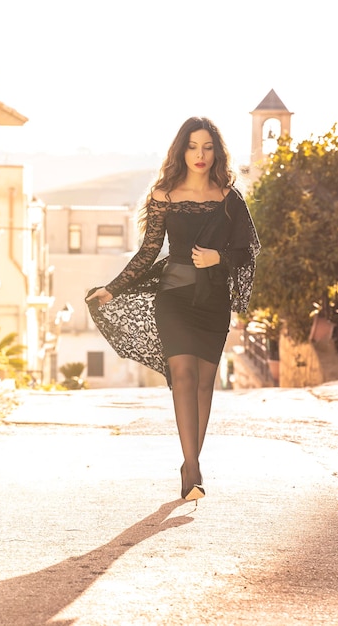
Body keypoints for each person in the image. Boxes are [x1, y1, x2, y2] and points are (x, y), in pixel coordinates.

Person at [86, 117, 260, 503]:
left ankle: (190, 462)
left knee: (203, 383)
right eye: (193, 146)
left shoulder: (229, 196)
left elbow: (248, 251)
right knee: (182, 375)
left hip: (213, 302)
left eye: (207, 147)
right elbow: (149, 251)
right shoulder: (164, 194)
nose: (200, 155)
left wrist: (219, 257)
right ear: (182, 150)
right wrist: (113, 289)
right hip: (174, 298)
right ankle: (193, 469)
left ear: (217, 152)